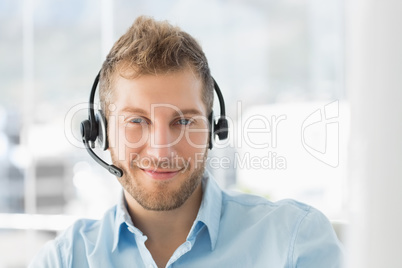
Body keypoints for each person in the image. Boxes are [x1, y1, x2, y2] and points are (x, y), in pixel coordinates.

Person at [29, 16, 344, 268]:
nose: (162, 149)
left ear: (212, 129)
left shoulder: (294, 241)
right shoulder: (64, 259)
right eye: (137, 121)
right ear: (101, 132)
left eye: (183, 121)